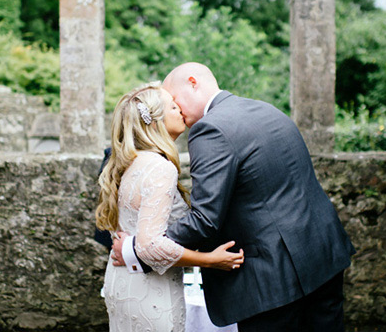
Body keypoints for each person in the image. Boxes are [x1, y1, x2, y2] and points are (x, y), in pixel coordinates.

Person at [112, 63, 356, 332]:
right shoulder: (266, 109)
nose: (176, 108)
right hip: (324, 256)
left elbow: (204, 220)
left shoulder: (210, 129)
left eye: (174, 99)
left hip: (272, 281)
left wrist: (138, 249)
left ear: (193, 83)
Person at [96, 82, 244, 332]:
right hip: (151, 294)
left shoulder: (127, 162)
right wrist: (209, 260)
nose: (181, 111)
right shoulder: (159, 167)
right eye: (174, 107)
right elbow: (150, 245)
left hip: (121, 284)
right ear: (155, 122)